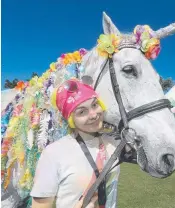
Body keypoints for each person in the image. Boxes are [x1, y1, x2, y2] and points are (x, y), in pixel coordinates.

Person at [30, 78, 122, 208]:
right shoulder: (53, 153)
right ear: (70, 119)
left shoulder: (112, 142)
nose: (93, 114)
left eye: (95, 105)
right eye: (82, 112)